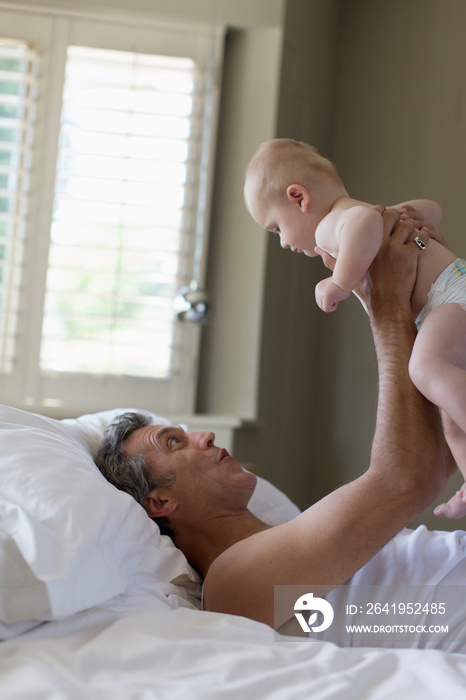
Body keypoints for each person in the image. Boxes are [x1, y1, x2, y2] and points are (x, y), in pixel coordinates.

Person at [96, 209, 456, 637]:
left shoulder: (292, 537)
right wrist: (386, 303)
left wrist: (416, 296)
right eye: (174, 443)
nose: (204, 435)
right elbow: (408, 479)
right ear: (158, 503)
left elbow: (429, 461)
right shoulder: (233, 582)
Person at [244, 138, 466, 519]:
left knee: (425, 370)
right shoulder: (362, 217)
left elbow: (362, 223)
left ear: (299, 198)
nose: (282, 242)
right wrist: (407, 213)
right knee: (450, 414)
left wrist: (340, 282)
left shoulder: (334, 224)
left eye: (276, 227)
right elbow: (432, 208)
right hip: (446, 305)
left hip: (450, 296)